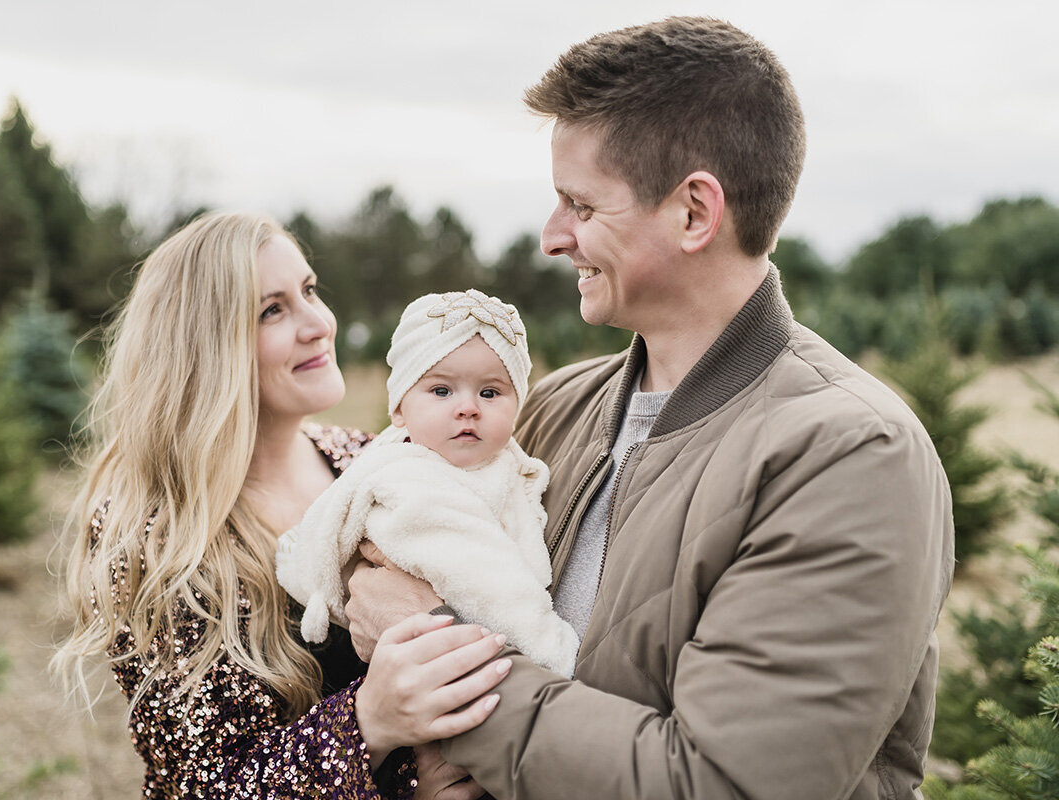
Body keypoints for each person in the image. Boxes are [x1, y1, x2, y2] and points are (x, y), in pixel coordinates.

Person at [345, 17, 955, 799]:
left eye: (581, 205)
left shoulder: (851, 456)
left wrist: (436, 658)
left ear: (695, 213)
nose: (551, 236)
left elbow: (721, 785)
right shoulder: (546, 411)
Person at [51, 212, 510, 800]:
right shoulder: (154, 538)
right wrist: (370, 723)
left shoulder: (368, 462)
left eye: (310, 291)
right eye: (273, 309)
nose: (318, 323)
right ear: (206, 348)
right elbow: (202, 785)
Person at [277, 289, 579, 677]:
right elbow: (486, 584)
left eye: (490, 392)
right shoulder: (408, 483)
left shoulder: (509, 467)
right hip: (466, 661)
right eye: (441, 391)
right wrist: (554, 653)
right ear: (400, 409)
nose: (468, 407)